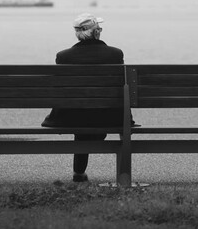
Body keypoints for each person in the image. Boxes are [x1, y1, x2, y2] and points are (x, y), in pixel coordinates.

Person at [41, 13, 134, 182]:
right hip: (109, 117)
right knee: (94, 115)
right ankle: (121, 174)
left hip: (71, 118)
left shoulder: (63, 57)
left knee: (81, 113)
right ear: (97, 32)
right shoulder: (115, 54)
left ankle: (79, 171)